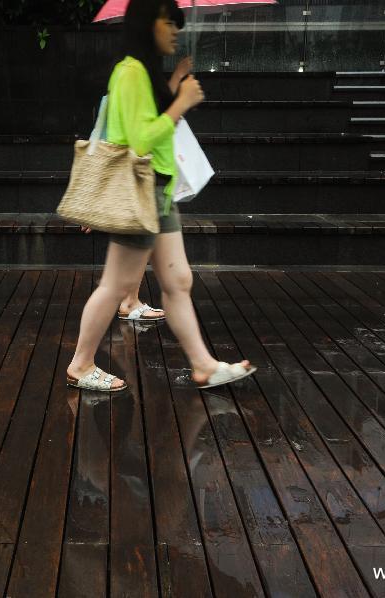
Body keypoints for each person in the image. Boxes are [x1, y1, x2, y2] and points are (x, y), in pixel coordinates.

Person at [66, 0, 256, 392]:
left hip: (159, 190)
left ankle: (203, 365)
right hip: (141, 190)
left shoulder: (143, 73)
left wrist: (175, 89)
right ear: (149, 25)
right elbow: (140, 138)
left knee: (178, 280)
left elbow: (149, 120)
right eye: (169, 23)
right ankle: (81, 364)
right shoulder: (131, 71)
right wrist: (181, 103)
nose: (175, 31)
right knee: (116, 286)